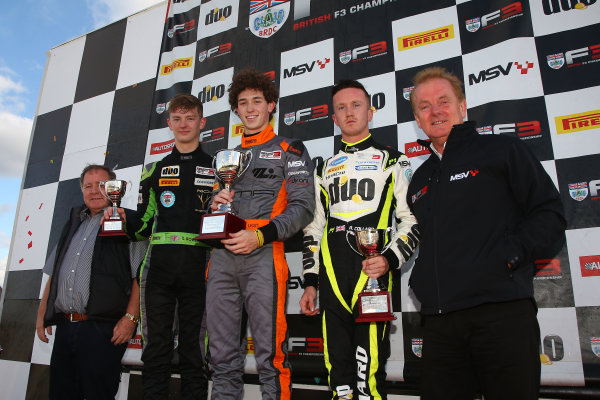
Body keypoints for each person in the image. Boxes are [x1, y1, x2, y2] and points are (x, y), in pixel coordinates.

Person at [406, 66, 566, 400]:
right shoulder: (419, 180)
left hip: (501, 314)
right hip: (440, 323)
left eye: (443, 101)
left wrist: (509, 257)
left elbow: (548, 212)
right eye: (424, 106)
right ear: (417, 120)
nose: (435, 111)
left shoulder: (502, 150)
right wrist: (421, 282)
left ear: (462, 106)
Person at [300, 80, 420, 400]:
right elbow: (313, 229)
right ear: (334, 118)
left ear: (370, 111)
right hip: (332, 278)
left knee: (368, 378)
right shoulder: (323, 169)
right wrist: (311, 281)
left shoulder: (395, 161)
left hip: (373, 277)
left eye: (356, 105)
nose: (349, 112)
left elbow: (412, 221)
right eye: (341, 107)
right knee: (338, 375)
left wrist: (390, 259)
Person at [207, 68, 315, 400]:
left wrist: (261, 236)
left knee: (271, 359)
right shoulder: (226, 158)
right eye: (243, 102)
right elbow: (212, 212)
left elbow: (303, 208)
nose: (250, 108)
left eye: (257, 101)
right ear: (236, 110)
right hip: (221, 261)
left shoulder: (291, 149)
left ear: (271, 105)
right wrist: (214, 205)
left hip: (264, 257)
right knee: (222, 361)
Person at [122, 93, 213, 399]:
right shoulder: (154, 170)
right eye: (178, 119)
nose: (184, 124)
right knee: (155, 349)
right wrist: (121, 219)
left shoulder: (219, 168)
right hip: (158, 269)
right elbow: (143, 227)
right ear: (169, 123)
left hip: (199, 267)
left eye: (190, 118)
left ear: (202, 123)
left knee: (194, 350)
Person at [36, 164, 145, 400]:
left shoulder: (129, 221)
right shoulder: (73, 222)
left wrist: (130, 318)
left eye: (101, 185)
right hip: (66, 327)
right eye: (88, 186)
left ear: (114, 188)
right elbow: (55, 272)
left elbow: (140, 275)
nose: (94, 191)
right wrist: (42, 312)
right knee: (61, 394)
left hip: (103, 329)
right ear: (82, 190)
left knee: (98, 394)